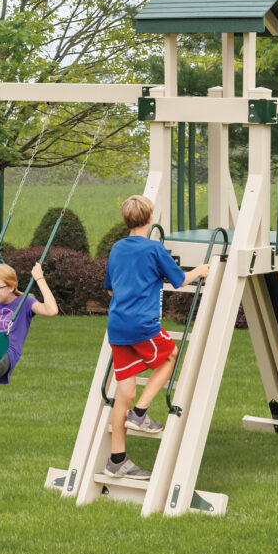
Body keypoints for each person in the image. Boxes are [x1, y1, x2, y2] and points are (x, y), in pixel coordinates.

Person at [102, 195, 209, 480]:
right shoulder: (154, 248)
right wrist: (200, 271)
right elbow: (179, 280)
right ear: (150, 219)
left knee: (124, 393)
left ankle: (117, 459)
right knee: (171, 354)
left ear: (126, 220)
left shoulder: (116, 248)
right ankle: (140, 414)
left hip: (117, 326)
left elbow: (110, 288)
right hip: (141, 325)